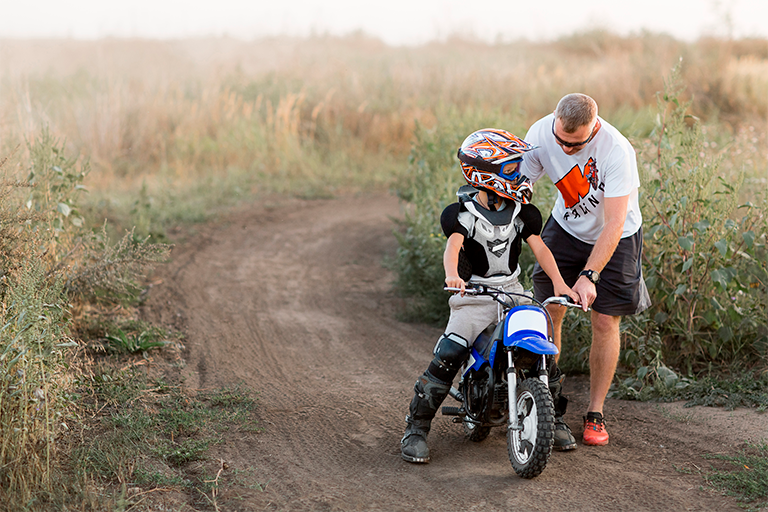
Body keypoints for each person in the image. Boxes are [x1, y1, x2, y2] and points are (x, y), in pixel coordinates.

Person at [400, 128, 579, 464]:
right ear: (485, 173)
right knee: (450, 353)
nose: (520, 174)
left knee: (545, 350)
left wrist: (560, 285)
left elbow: (540, 249)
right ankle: (416, 427)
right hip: (473, 295)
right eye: (512, 168)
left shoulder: (523, 212)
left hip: (512, 292)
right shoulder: (462, 214)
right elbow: (453, 247)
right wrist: (452, 275)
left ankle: (551, 418)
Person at [520, 93, 651, 449]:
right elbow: (524, 191)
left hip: (617, 235)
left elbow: (614, 223)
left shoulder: (617, 151)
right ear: (555, 121)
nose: (565, 148)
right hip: (565, 228)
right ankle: (547, 401)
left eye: (575, 144)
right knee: (550, 309)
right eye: (561, 140)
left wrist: (589, 275)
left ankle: (595, 412)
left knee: (605, 321)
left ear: (594, 128)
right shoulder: (540, 132)